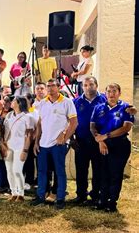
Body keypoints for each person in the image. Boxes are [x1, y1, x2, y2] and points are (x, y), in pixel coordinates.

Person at [32, 79, 78, 209]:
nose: (50, 88)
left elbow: (74, 123)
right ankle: (40, 196)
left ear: (58, 87)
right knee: (42, 171)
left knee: (59, 172)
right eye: (48, 86)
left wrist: (65, 137)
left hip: (57, 145)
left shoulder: (67, 102)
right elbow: (40, 124)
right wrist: (36, 142)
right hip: (43, 144)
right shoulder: (42, 103)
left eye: (53, 86)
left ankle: (60, 198)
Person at [90, 83, 134, 212]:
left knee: (115, 173)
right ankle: (102, 200)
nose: (111, 94)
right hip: (103, 145)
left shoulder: (126, 108)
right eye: (109, 91)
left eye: (114, 91)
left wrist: (106, 136)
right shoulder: (98, 108)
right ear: (105, 93)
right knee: (103, 172)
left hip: (120, 144)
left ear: (119, 93)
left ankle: (112, 201)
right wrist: (100, 141)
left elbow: (126, 127)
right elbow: (93, 127)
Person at [71, 76, 104, 204]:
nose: (88, 87)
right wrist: (72, 138)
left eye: (91, 84)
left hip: (98, 141)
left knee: (98, 169)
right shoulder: (76, 102)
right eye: (85, 85)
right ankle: (81, 195)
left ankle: (96, 195)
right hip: (81, 141)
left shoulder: (104, 100)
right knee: (81, 169)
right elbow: (71, 121)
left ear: (96, 85)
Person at [2, 97, 33, 202]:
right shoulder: (9, 115)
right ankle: (13, 192)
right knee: (9, 170)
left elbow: (29, 135)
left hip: (20, 147)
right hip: (8, 146)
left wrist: (25, 150)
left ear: (19, 103)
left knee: (17, 170)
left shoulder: (27, 117)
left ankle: (21, 193)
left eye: (14, 101)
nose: (11, 102)